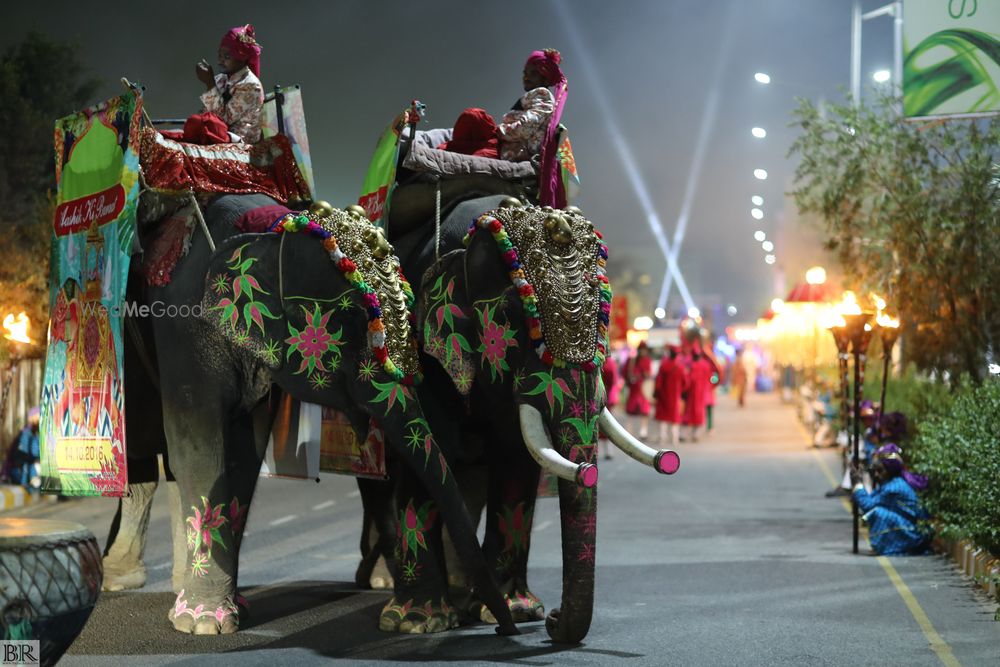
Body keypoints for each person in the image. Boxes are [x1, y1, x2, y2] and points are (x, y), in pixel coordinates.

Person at [438, 49, 569, 207]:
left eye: (532, 73)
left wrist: (499, 132)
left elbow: (524, 128)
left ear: (545, 77)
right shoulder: (536, 95)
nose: (526, 76)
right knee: (473, 117)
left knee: (473, 118)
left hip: (509, 151)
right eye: (524, 73)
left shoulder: (542, 94)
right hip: (504, 143)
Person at [852, 444, 931, 555]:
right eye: (875, 471)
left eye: (880, 471)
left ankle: (888, 547)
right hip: (913, 528)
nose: (876, 475)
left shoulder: (893, 487)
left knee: (877, 513)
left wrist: (858, 485)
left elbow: (867, 504)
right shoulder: (891, 483)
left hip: (915, 534)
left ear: (890, 470)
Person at [193, 24, 265, 144]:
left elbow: (224, 119)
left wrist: (209, 83)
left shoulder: (251, 86)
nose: (220, 60)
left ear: (241, 58)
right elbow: (204, 114)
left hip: (240, 142)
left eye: (226, 56)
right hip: (218, 136)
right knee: (192, 124)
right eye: (219, 55)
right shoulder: (220, 79)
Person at [653, 346, 686, 445]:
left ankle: (662, 438)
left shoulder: (663, 366)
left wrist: (657, 392)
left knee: (663, 417)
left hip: (663, 395)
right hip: (675, 396)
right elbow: (685, 382)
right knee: (674, 417)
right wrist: (681, 391)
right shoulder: (680, 367)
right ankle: (674, 438)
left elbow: (658, 382)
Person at [624, 342, 653, 439]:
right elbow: (625, 372)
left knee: (644, 412)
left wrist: (645, 375)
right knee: (630, 411)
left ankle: (643, 432)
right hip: (633, 389)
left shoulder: (647, 361)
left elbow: (649, 374)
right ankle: (628, 431)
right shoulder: (631, 360)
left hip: (643, 390)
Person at [681, 352, 712, 442]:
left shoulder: (692, 366)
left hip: (693, 394)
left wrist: (684, 390)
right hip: (701, 394)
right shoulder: (706, 365)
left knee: (689, 413)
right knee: (698, 413)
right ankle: (695, 434)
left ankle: (686, 434)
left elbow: (689, 380)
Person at [9, 408, 40, 491]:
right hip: (23, 469)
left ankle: (34, 481)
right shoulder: (26, 434)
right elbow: (23, 457)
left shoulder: (37, 434)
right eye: (37, 419)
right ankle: (31, 481)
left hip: (33, 465)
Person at [598, 354, 621, 460]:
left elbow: (612, 380)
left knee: (606, 424)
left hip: (604, 397)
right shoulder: (608, 362)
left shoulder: (608, 363)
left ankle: (608, 450)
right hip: (598, 396)